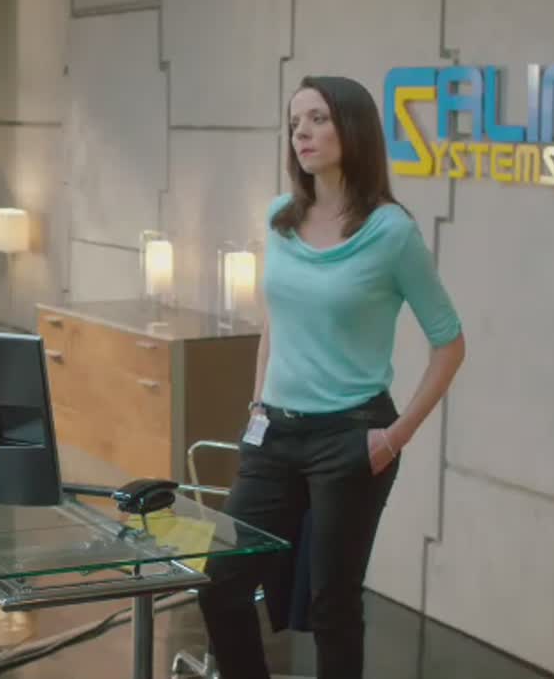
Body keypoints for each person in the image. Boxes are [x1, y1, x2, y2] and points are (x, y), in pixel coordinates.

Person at [196, 75, 466, 678]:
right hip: (274, 433)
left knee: (332, 606)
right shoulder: (280, 218)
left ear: (353, 126)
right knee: (221, 585)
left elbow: (449, 344)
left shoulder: (392, 232)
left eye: (318, 119)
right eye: (295, 123)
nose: (303, 133)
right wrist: (257, 406)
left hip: (352, 436)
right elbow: (275, 322)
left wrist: (394, 438)